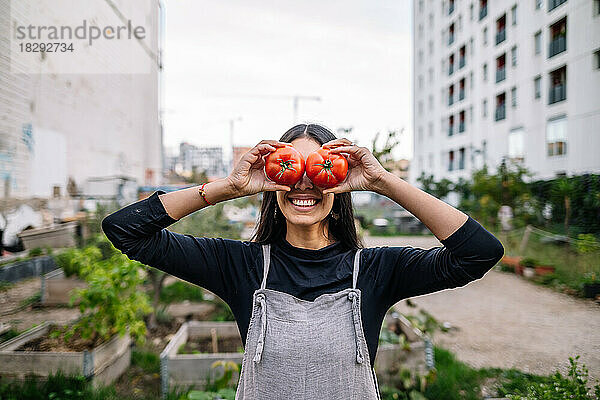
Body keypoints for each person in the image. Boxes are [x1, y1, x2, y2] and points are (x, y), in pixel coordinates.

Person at [102, 123, 504, 399]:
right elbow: (125, 230)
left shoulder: (378, 270)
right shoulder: (240, 266)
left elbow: (479, 253)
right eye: (290, 169)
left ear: (341, 180)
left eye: (319, 168)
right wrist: (229, 187)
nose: (304, 182)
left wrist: (383, 183)